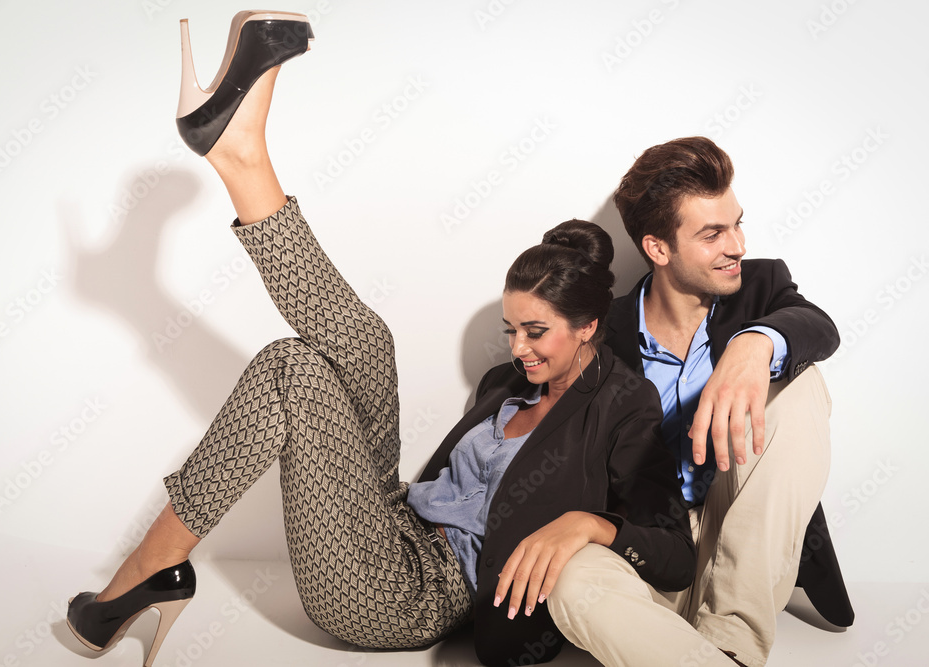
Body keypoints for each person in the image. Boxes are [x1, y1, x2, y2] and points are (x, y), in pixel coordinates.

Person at [65, 12, 695, 667]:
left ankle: (152, 562)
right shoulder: (507, 384)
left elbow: (674, 549)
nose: (519, 348)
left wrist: (590, 524)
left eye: (537, 333)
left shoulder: (626, 406)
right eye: (512, 329)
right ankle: (241, 154)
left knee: (290, 368)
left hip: (407, 593)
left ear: (589, 325)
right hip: (392, 519)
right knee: (363, 344)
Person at [547, 136, 853, 666]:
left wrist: (754, 345)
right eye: (713, 234)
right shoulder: (603, 336)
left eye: (737, 224)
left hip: (741, 540)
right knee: (570, 578)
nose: (736, 245)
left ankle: (731, 641)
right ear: (658, 248)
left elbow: (817, 328)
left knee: (802, 386)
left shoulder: (761, 286)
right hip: (652, 549)